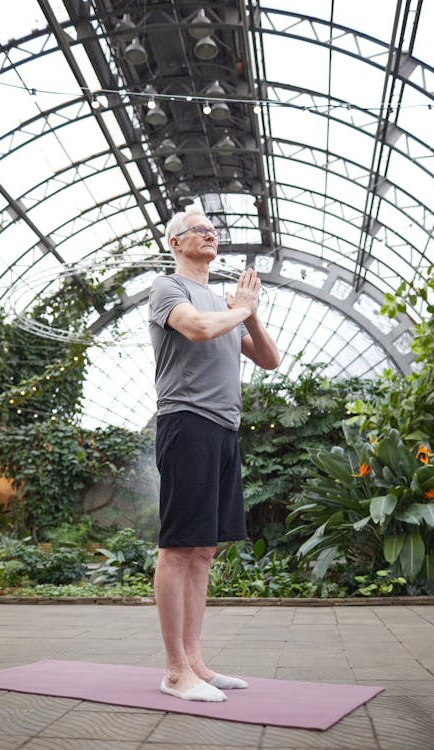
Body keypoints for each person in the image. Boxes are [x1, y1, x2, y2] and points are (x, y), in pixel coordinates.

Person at [148, 207, 279, 702]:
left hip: (224, 428)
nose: (210, 234)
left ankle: (197, 662)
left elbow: (268, 360)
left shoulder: (227, 304)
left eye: (213, 230)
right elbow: (200, 329)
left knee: (204, 548)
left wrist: (252, 312)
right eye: (199, 230)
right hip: (186, 420)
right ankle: (175, 671)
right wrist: (240, 309)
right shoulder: (169, 289)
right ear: (176, 242)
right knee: (179, 546)